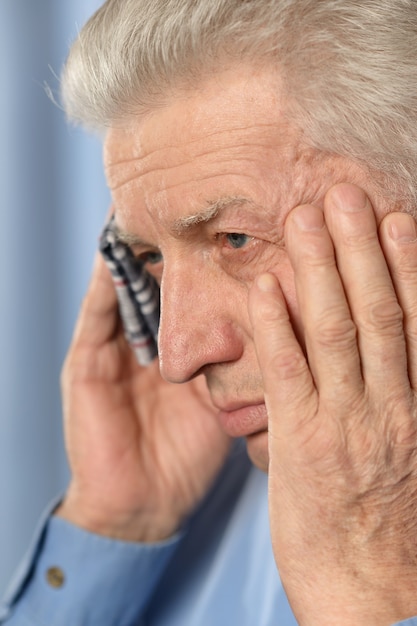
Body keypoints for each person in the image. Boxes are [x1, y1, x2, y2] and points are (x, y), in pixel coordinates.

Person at [2, 0, 417, 623]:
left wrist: (368, 596)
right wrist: (117, 525)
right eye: (151, 257)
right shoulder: (207, 491)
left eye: (235, 239)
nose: (177, 355)